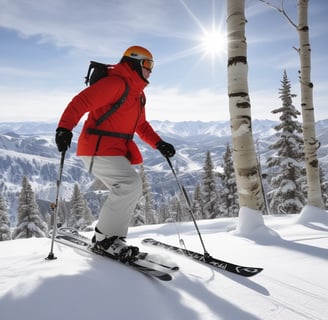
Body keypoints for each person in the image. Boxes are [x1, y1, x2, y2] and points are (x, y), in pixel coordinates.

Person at [55, 45, 175, 261]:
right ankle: (104, 240)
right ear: (135, 63)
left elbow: (141, 125)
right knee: (129, 185)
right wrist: (64, 128)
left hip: (114, 150)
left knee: (131, 187)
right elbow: (81, 102)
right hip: (96, 148)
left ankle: (113, 237)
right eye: (147, 64)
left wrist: (159, 144)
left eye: (152, 65)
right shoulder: (116, 83)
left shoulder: (138, 95)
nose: (151, 70)